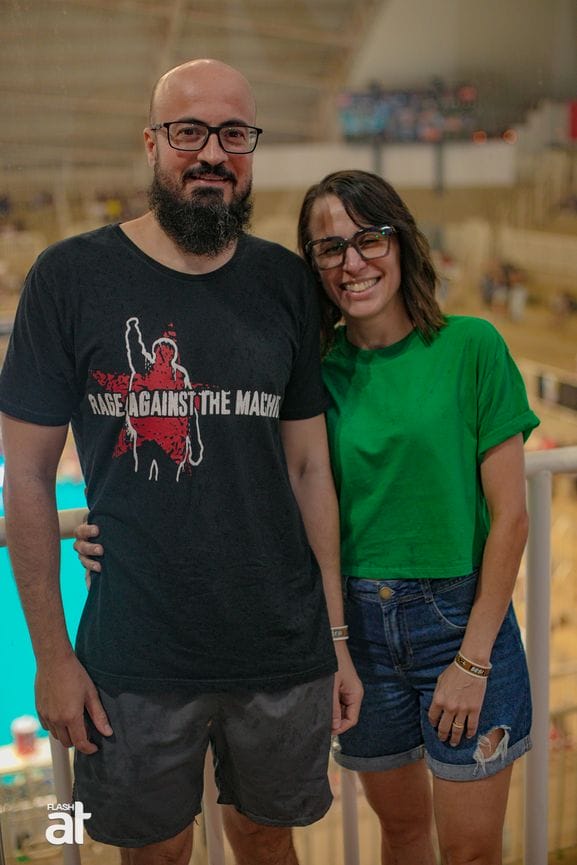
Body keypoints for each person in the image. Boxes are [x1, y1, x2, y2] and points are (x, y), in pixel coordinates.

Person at [0, 61, 362, 865]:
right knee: (156, 850)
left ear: (251, 148)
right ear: (151, 143)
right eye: (188, 131)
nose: (212, 154)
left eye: (233, 134)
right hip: (135, 652)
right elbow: (25, 475)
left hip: (280, 644)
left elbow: (309, 470)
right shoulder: (70, 278)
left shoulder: (284, 282)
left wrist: (335, 639)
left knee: (266, 841)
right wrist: (53, 658)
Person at [295, 170, 539, 864]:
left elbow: (511, 519)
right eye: (330, 247)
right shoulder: (314, 376)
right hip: (358, 634)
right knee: (402, 836)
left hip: (460, 624)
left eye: (368, 239)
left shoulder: (471, 347)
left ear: (400, 241)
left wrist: (472, 660)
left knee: (470, 850)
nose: (352, 262)